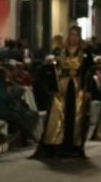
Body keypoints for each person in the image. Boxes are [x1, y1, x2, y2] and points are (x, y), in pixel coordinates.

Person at [33, 25, 92, 159]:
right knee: (59, 114)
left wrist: (88, 90)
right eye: (72, 34)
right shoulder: (60, 52)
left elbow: (88, 73)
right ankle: (56, 145)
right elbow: (54, 72)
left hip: (78, 88)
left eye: (76, 35)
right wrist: (55, 88)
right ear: (68, 36)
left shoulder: (85, 53)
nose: (74, 37)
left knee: (76, 116)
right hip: (63, 87)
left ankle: (74, 147)